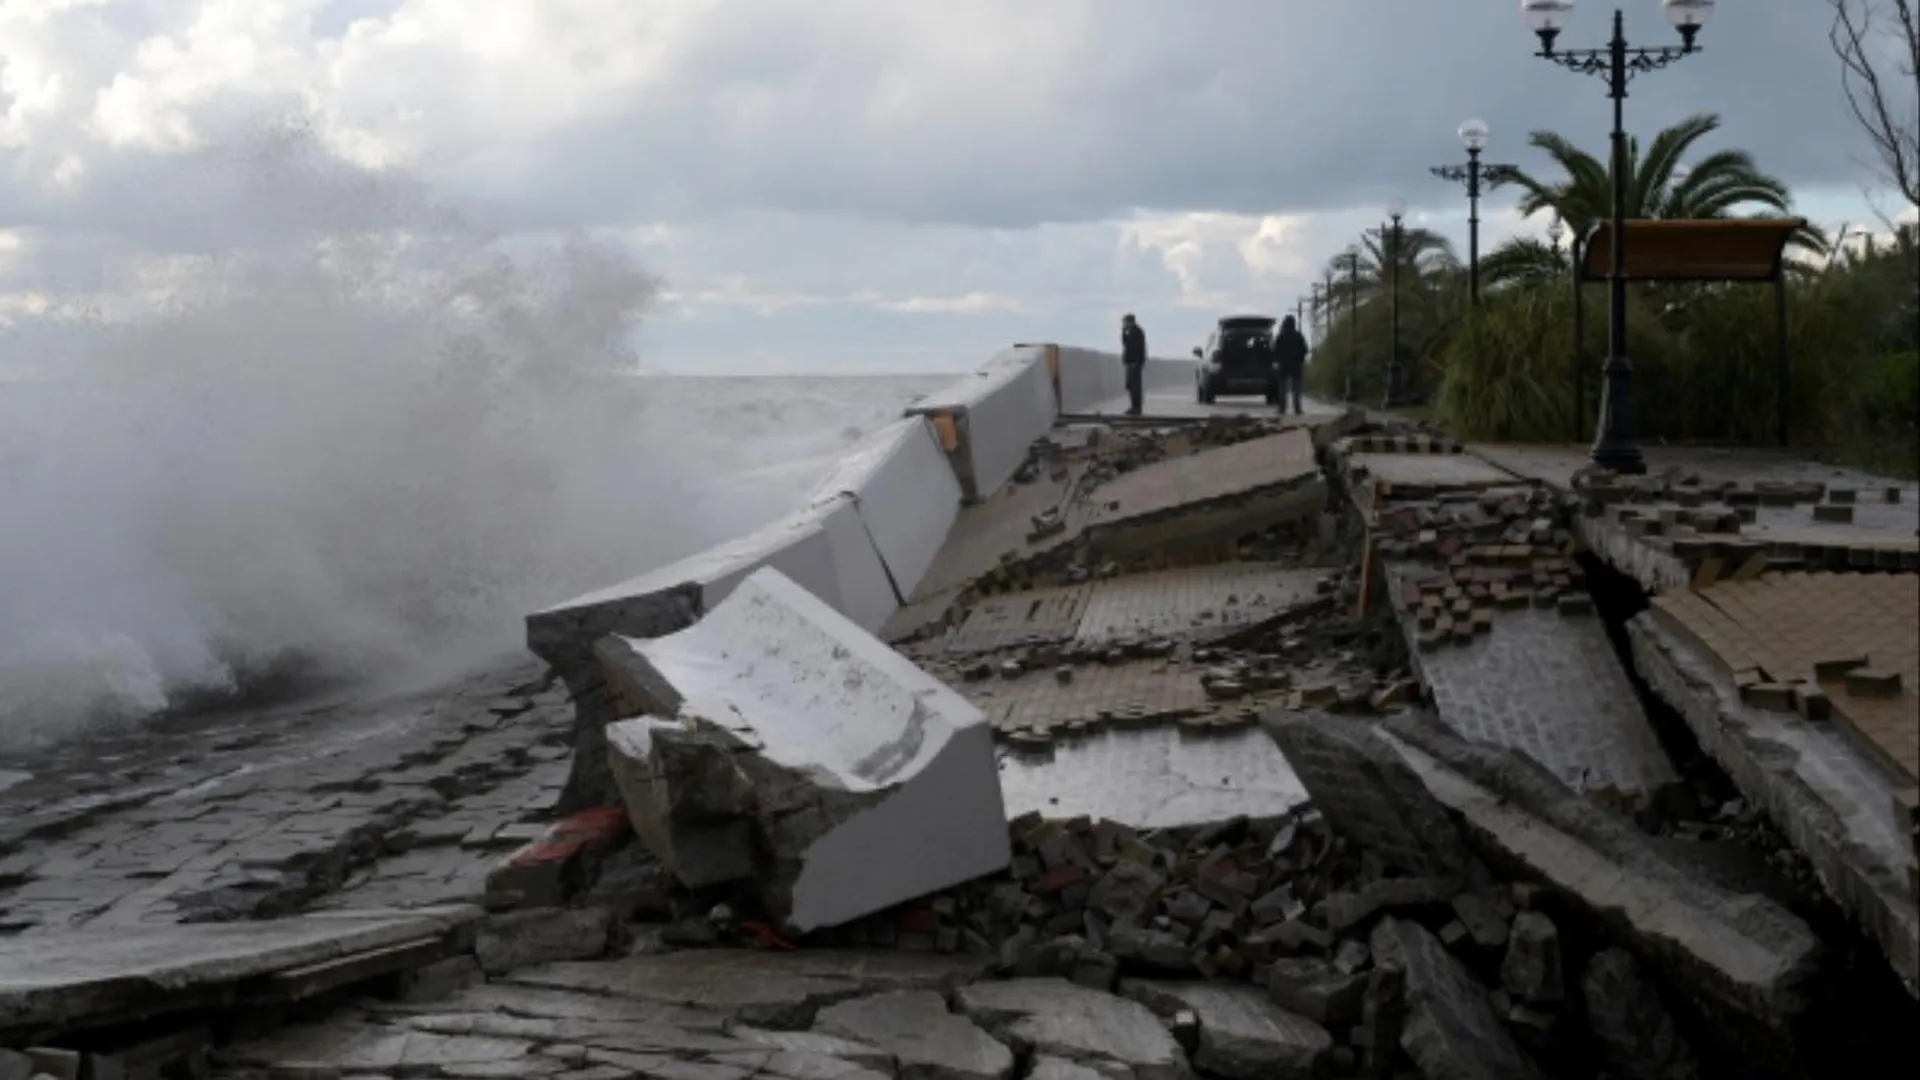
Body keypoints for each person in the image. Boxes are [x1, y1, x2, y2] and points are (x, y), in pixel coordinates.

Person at [1271, 314, 1308, 416]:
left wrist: (1278, 361)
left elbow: (1275, 350)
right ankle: (1297, 408)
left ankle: (1282, 408)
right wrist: (1300, 359)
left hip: (1284, 365)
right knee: (1297, 388)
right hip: (1296, 365)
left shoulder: (1281, 336)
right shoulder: (1298, 336)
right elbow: (1304, 349)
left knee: (1282, 388)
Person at [1120, 313, 1147, 416]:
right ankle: (1133, 406)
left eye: (1125, 322)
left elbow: (1140, 348)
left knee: (1135, 387)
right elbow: (1125, 344)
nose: (1124, 324)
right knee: (1130, 386)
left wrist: (1138, 361)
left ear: (1130, 322)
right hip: (1130, 362)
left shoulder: (1137, 332)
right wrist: (1123, 333)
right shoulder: (1130, 332)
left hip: (1135, 363)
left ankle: (1137, 407)